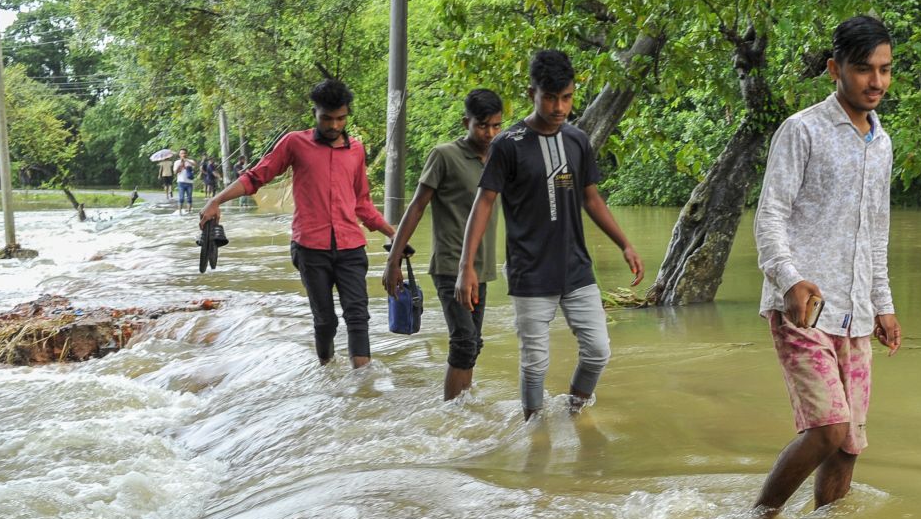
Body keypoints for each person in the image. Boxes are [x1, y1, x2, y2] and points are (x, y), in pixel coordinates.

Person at [751, 15, 901, 518]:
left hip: (856, 312)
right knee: (827, 429)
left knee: (849, 444)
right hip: (804, 308)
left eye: (885, 70)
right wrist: (789, 280)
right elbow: (769, 215)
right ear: (835, 69)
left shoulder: (881, 143)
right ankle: (759, 518)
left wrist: (884, 305)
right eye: (864, 70)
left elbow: (875, 231)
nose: (876, 82)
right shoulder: (802, 130)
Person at [456, 50, 644, 418]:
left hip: (576, 267)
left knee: (598, 351)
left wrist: (625, 243)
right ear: (532, 94)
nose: (560, 107)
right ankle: (534, 431)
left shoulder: (577, 140)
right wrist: (467, 266)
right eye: (550, 98)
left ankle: (572, 412)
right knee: (535, 363)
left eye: (567, 98)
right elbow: (484, 203)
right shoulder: (508, 144)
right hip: (530, 271)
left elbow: (591, 198)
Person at [199, 78, 394, 368]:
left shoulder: (356, 151)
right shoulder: (295, 143)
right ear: (314, 113)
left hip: (351, 247)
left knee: (358, 315)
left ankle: (361, 390)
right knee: (325, 320)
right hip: (310, 248)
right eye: (327, 118)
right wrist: (216, 201)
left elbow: (362, 203)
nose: (334, 125)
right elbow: (256, 177)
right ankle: (326, 370)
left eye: (341, 119)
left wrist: (395, 233)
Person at [384, 90, 505, 400]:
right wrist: (393, 261)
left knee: (473, 343)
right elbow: (416, 207)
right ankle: (451, 413)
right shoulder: (444, 155)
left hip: (482, 267)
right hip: (451, 265)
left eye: (496, 126)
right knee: (464, 341)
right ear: (466, 122)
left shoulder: (499, 158)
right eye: (482, 126)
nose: (489, 133)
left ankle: (464, 407)